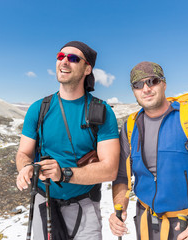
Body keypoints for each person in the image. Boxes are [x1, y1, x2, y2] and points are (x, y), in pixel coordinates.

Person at [109, 61, 188, 240]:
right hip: (145, 222)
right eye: (138, 85)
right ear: (133, 91)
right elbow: (121, 176)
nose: (146, 89)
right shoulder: (130, 127)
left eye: (152, 81)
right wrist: (120, 209)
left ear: (164, 84)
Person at [16, 41, 120, 240]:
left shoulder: (101, 112)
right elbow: (24, 153)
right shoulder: (38, 109)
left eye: (73, 59)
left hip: (85, 206)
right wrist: (25, 167)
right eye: (60, 56)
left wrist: (63, 174)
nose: (64, 62)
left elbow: (110, 169)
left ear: (87, 68)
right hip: (43, 202)